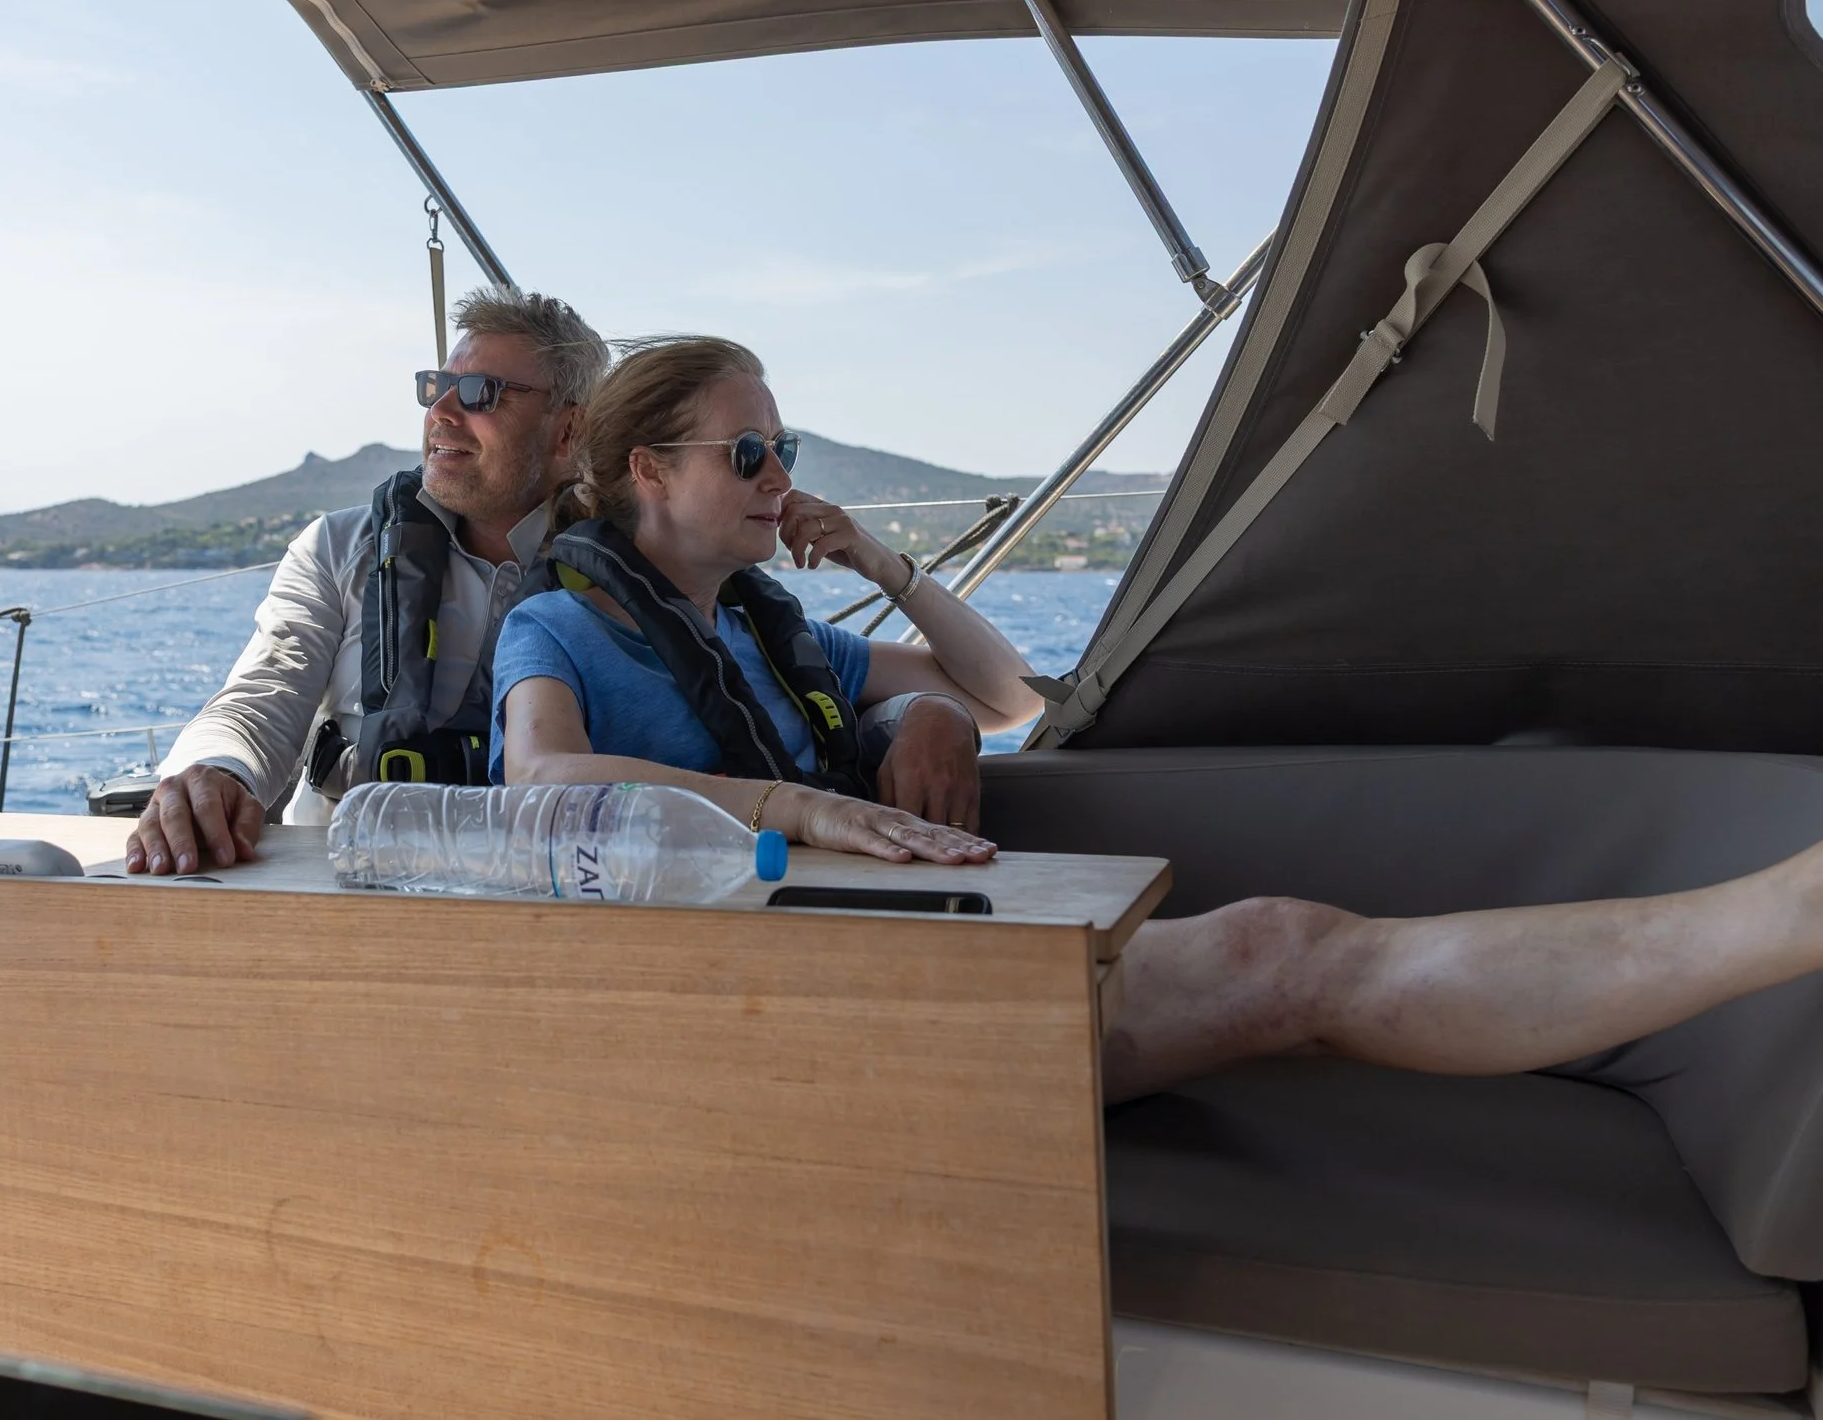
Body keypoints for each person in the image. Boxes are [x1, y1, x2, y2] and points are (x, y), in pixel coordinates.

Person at [495, 334, 1823, 1102]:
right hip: (757, 1026)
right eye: (750, 454)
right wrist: (792, 803)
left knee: (1286, 945)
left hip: (873, 969)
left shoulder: (768, 640)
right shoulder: (556, 631)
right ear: (646, 470)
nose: (780, 477)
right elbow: (539, 784)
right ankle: (1775, 919)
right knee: (1284, 954)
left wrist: (885, 568)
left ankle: (1773, 918)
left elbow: (1009, 694)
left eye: (787, 450)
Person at [126, 294, 983, 874]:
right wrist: (214, 771)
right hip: (361, 887)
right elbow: (263, 694)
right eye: (437, 389)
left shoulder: (650, 566)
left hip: (567, 903)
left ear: (569, 433)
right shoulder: (341, 550)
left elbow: (761, 681)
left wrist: (920, 715)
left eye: (480, 393)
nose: (441, 413)